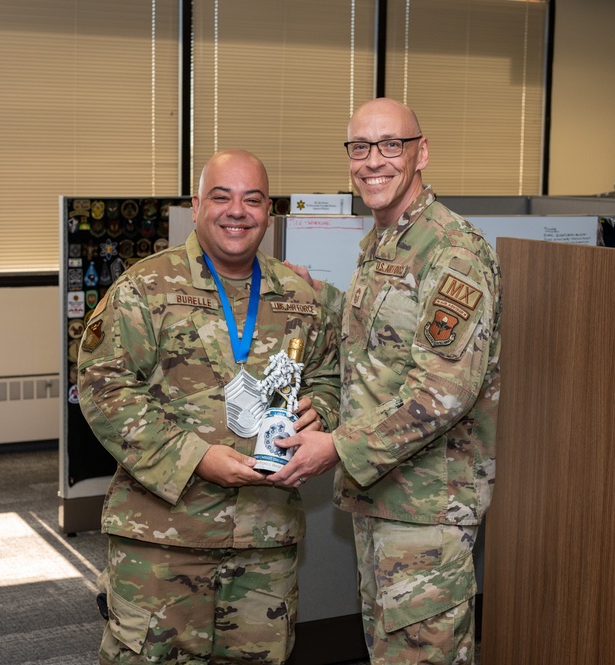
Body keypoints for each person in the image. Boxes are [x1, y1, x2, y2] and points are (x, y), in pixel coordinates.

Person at [77, 148, 341, 665]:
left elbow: (330, 376)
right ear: (197, 204)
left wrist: (323, 415)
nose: (237, 211)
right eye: (221, 196)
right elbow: (103, 388)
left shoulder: (297, 295)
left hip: (264, 539)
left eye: (253, 199)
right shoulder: (146, 288)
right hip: (162, 539)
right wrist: (195, 457)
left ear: (269, 210)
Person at [272, 98, 503, 664]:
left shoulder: (452, 251)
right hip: (385, 499)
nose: (373, 161)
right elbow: (384, 338)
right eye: (359, 147)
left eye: (390, 145)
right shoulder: (386, 242)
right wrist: (315, 293)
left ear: (421, 152)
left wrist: (337, 448)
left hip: (426, 511)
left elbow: (443, 390)